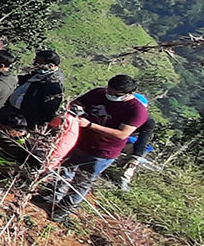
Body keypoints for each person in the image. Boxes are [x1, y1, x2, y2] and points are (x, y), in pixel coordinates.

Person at [48, 74, 150, 223]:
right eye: (109, 91)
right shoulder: (98, 93)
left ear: (129, 94)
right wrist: (77, 109)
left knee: (83, 181)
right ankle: (51, 196)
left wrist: (90, 125)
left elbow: (122, 134)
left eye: (116, 95)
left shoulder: (137, 111)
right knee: (65, 170)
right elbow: (78, 102)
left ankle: (63, 210)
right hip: (78, 141)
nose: (110, 95)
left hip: (102, 151)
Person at [0, 49, 65, 128]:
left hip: (22, 119)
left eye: (38, 63)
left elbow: (49, 110)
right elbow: (24, 79)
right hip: (11, 109)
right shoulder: (41, 72)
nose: (34, 64)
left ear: (51, 66)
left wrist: (33, 122)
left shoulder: (53, 85)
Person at [113, 92, 156, 191]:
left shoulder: (147, 122)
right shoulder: (116, 111)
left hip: (124, 141)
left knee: (135, 153)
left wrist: (135, 156)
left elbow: (142, 140)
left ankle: (124, 180)